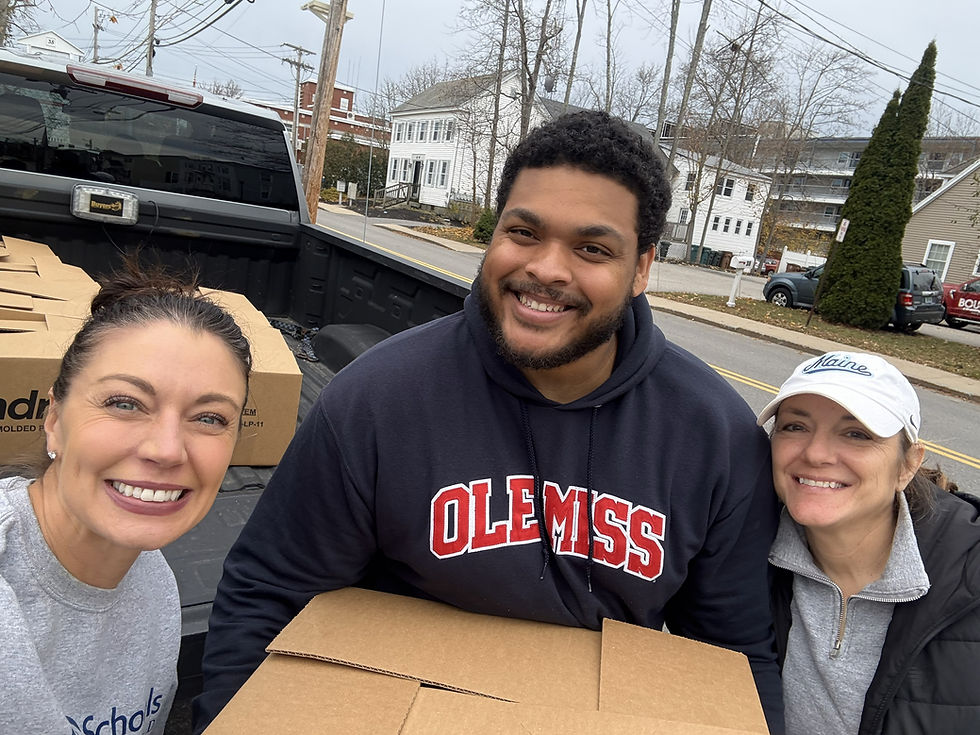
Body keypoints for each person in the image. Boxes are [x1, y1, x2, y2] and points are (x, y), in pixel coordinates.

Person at [194, 110, 783, 732]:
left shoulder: (713, 435)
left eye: (592, 248)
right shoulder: (379, 399)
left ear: (641, 269)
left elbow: (733, 660)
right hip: (398, 711)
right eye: (524, 232)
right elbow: (270, 596)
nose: (547, 269)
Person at [0, 261, 251, 734]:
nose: (167, 450)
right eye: (124, 403)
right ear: (54, 419)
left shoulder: (152, 578)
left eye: (209, 418)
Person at [758, 351, 980, 735]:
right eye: (795, 426)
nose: (816, 453)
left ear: (908, 465)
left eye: (856, 434)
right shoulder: (740, 547)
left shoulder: (969, 578)